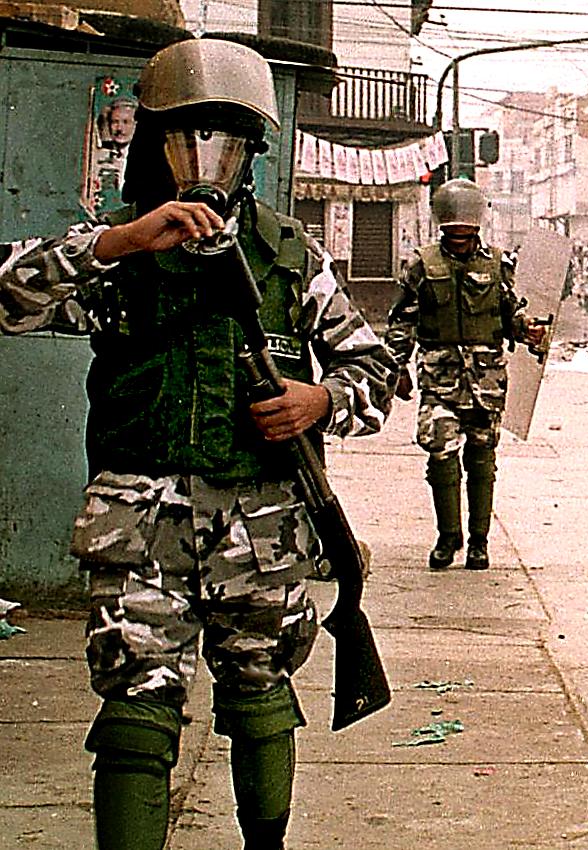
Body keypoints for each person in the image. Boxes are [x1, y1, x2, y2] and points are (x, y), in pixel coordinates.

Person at [0, 38, 396, 850]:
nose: (203, 159)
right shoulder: (118, 253)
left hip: (262, 525)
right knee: (135, 715)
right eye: (185, 138)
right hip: (138, 526)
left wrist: (319, 399)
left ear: (252, 152)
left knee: (260, 700)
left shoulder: (290, 257)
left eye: (224, 141)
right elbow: (6, 295)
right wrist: (118, 243)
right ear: (157, 144)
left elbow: (376, 370)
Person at [385, 177, 546, 571]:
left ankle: (479, 542)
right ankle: (448, 536)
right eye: (452, 233)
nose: (459, 239)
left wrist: (529, 330)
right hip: (439, 379)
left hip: (486, 380)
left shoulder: (499, 264)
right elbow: (402, 321)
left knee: (481, 457)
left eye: (466, 233)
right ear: (442, 224)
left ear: (477, 225)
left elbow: (511, 316)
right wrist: (395, 368)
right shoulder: (420, 265)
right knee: (439, 451)